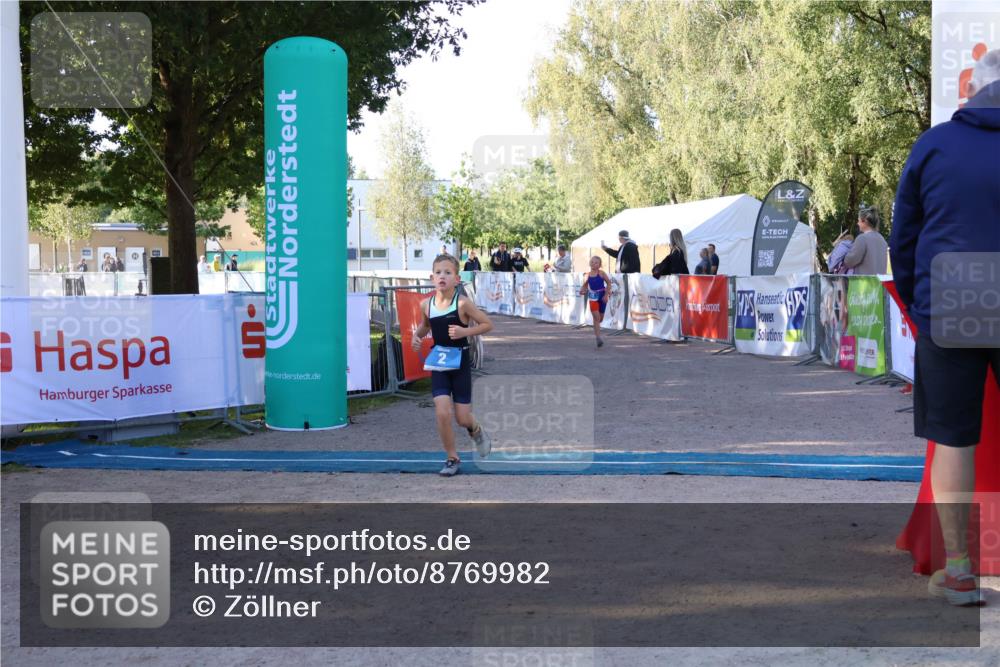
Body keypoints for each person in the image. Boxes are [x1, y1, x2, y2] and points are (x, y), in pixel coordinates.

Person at [889, 49, 1000, 607]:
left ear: (972, 90)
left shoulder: (933, 145)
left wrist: (919, 305)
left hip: (951, 294)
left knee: (953, 438)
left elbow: (902, 240)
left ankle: (958, 569)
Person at [411, 254, 495, 477]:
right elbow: (425, 326)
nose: (442, 276)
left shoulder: (463, 303)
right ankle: (451, 458)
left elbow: (488, 324)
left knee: (462, 418)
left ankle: (476, 431)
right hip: (439, 365)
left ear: (456, 279)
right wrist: (416, 338)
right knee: (442, 412)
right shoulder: (425, 305)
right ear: (431, 277)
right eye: (438, 272)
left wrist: (465, 331)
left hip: (460, 365)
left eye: (448, 273)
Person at [843, 206, 888, 275]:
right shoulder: (882, 240)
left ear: (865, 221)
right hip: (878, 284)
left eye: (859, 221)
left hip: (863, 283)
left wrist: (844, 253)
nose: (858, 223)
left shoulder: (862, 238)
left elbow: (849, 262)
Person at [578, 256, 611, 348]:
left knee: (600, 319)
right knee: (596, 317)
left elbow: (609, 283)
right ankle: (598, 338)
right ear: (589, 263)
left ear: (600, 265)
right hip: (593, 297)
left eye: (596, 262)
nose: (593, 264)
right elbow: (584, 286)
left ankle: (597, 331)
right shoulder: (587, 275)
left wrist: (606, 295)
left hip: (602, 295)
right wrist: (582, 291)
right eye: (592, 262)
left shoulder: (601, 273)